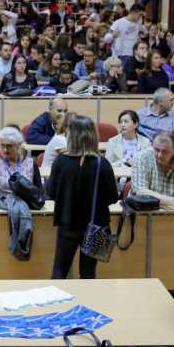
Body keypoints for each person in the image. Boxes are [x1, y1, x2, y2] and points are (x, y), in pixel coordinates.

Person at [46, 116, 118, 279]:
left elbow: (51, 192)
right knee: (88, 273)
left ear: (71, 135)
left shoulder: (60, 161)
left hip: (67, 222)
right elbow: (113, 197)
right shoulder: (102, 163)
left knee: (59, 270)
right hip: (95, 224)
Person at [0, 126, 42, 202]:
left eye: (9, 146)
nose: (5, 150)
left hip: (26, 204)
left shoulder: (31, 164)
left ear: (18, 146)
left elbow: (39, 193)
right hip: (1, 205)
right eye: (3, 145)